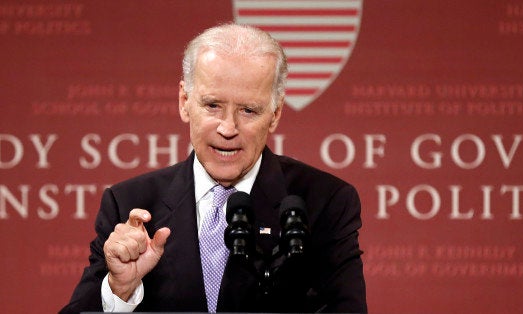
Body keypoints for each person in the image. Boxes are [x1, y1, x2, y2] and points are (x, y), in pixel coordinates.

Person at [60, 23, 367, 313]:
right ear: (184, 101)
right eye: (212, 106)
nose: (228, 128)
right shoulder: (131, 206)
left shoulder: (325, 203)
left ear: (275, 114)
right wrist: (119, 290)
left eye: (248, 110)